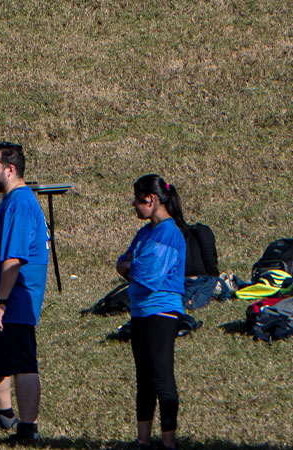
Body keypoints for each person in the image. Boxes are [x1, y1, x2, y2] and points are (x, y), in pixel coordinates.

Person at [0, 142, 48, 443]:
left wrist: (1, 302)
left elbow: (14, 259)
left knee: (22, 364)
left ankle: (28, 429)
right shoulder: (12, 201)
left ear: (10, 169)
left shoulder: (19, 204)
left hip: (15, 303)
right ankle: (5, 414)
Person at [119, 174, 187, 450]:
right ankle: (143, 440)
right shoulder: (145, 232)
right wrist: (131, 265)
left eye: (137, 200)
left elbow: (149, 273)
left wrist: (130, 266)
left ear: (152, 199)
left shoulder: (170, 233)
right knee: (144, 379)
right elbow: (123, 261)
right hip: (140, 311)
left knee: (162, 377)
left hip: (162, 313)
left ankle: (168, 443)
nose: (134, 205)